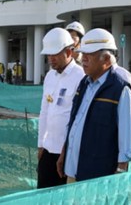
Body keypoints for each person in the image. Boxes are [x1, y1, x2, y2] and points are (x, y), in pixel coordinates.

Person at [57, 28, 131, 182]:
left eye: (89, 55)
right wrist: (64, 153)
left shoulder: (120, 90)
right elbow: (74, 121)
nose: (82, 59)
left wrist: (120, 172)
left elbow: (127, 139)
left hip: (98, 177)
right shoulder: (84, 83)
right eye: (82, 54)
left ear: (106, 60)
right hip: (73, 170)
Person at [37, 28, 85, 188]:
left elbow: (79, 118)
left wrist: (67, 151)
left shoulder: (81, 77)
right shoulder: (50, 76)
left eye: (55, 54)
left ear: (69, 52)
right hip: (48, 150)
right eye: (48, 55)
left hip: (67, 154)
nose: (51, 59)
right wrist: (40, 144)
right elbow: (44, 112)